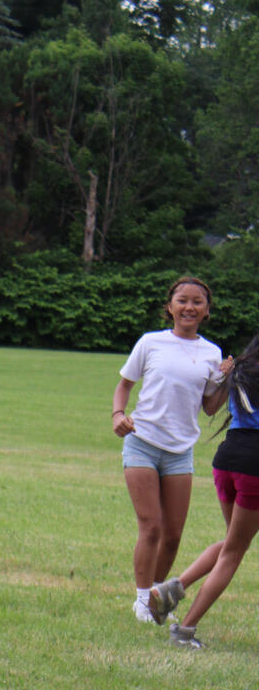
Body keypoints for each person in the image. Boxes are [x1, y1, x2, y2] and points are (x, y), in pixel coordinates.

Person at [111, 277, 230, 625]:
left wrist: (224, 379)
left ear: (206, 311)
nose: (189, 307)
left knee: (173, 535)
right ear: (170, 307)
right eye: (182, 300)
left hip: (180, 451)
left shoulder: (211, 353)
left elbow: (210, 407)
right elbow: (124, 385)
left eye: (197, 302)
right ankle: (141, 599)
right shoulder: (151, 343)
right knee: (151, 526)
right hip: (143, 442)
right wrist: (118, 414)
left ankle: (156, 599)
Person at [149, 334, 259, 649]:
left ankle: (172, 590)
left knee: (232, 542)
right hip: (254, 465)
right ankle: (184, 631)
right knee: (234, 551)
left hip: (227, 460)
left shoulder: (243, 368)